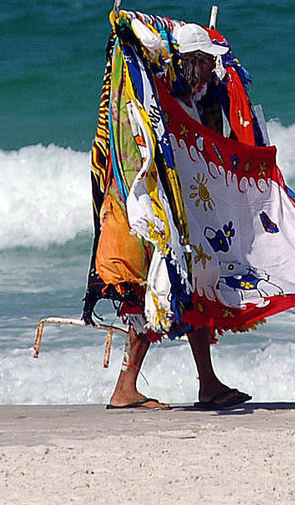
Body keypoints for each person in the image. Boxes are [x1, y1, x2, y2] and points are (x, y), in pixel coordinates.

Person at [105, 22, 251, 410]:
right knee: (148, 291)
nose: (208, 71)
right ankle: (125, 388)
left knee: (194, 288)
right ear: (189, 61)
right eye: (203, 62)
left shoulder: (192, 98)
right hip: (152, 209)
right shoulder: (158, 97)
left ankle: (208, 383)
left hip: (184, 210)